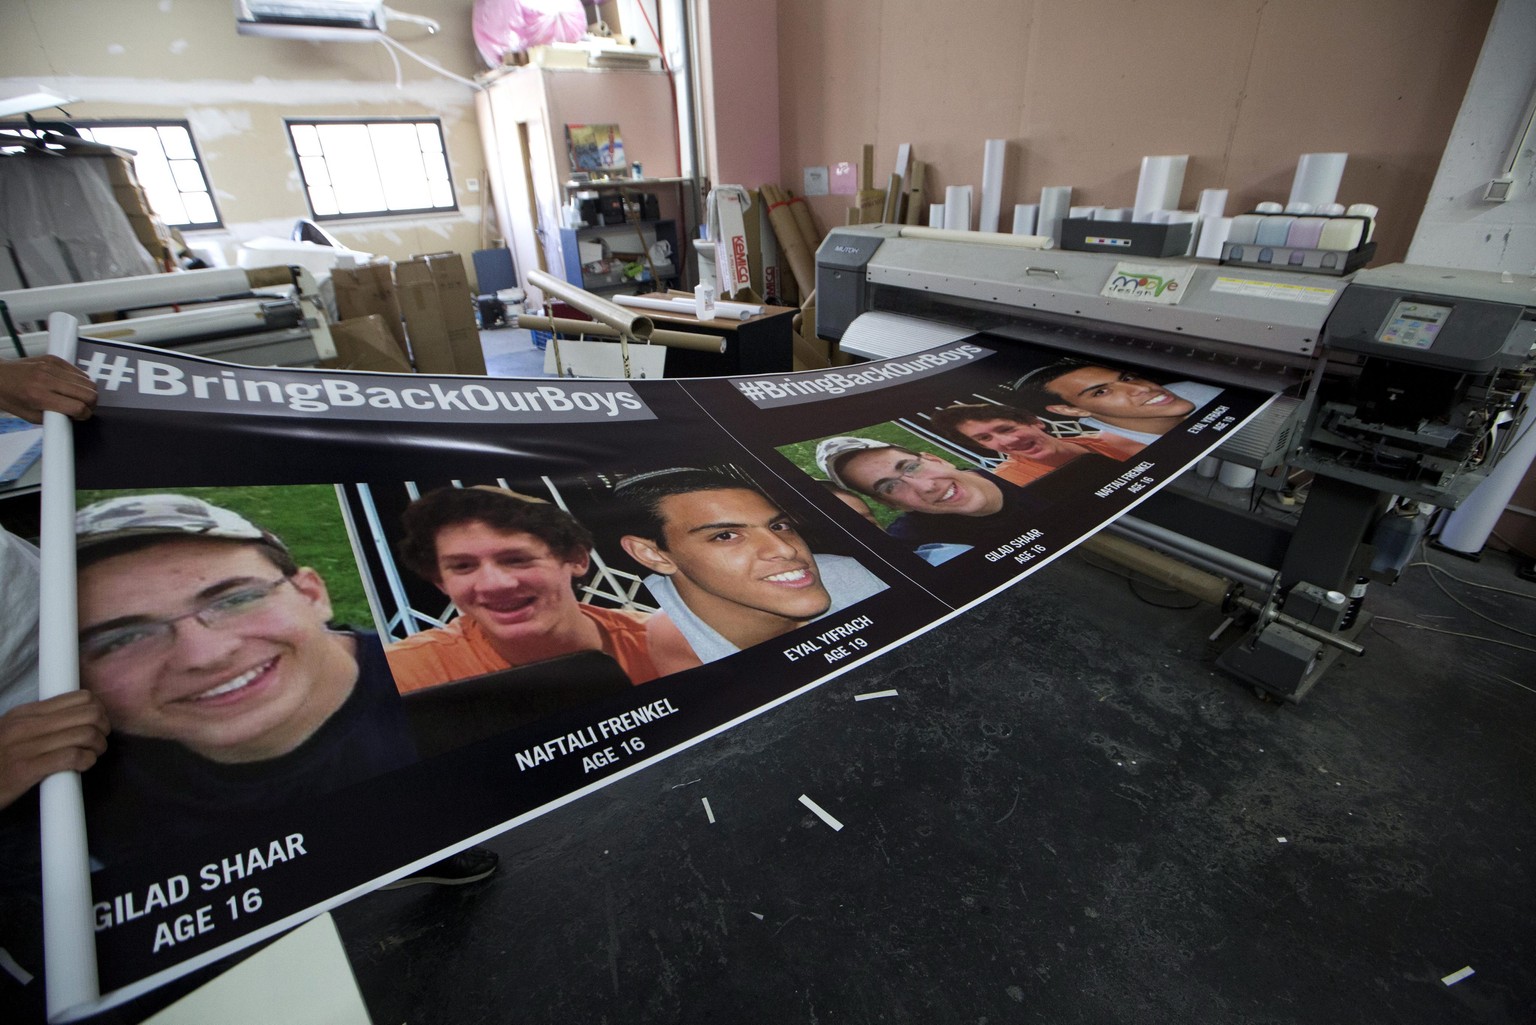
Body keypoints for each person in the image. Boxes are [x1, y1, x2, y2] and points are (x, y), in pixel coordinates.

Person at [386, 486, 660, 691]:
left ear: (576, 559)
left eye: (517, 560)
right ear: (441, 582)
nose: (494, 584)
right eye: (462, 566)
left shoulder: (665, 643)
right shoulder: (405, 674)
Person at [613, 468, 887, 672]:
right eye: (725, 535)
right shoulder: (636, 654)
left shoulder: (855, 576)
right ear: (653, 555)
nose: (785, 550)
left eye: (779, 526)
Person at [816, 437, 1035, 564]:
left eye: (911, 467)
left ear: (936, 459)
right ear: (891, 504)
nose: (927, 487)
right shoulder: (914, 542)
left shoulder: (1027, 473)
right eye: (890, 486)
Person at [929, 402, 1145, 487]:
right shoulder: (1011, 483)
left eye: (1006, 428)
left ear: (1036, 423)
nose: (1007, 442)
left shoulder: (1114, 440)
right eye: (985, 439)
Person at [1011, 360, 1222, 444]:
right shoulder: (1106, 449)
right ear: (1069, 410)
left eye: (1127, 378)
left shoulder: (1200, 391)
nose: (1141, 388)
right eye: (1101, 392)